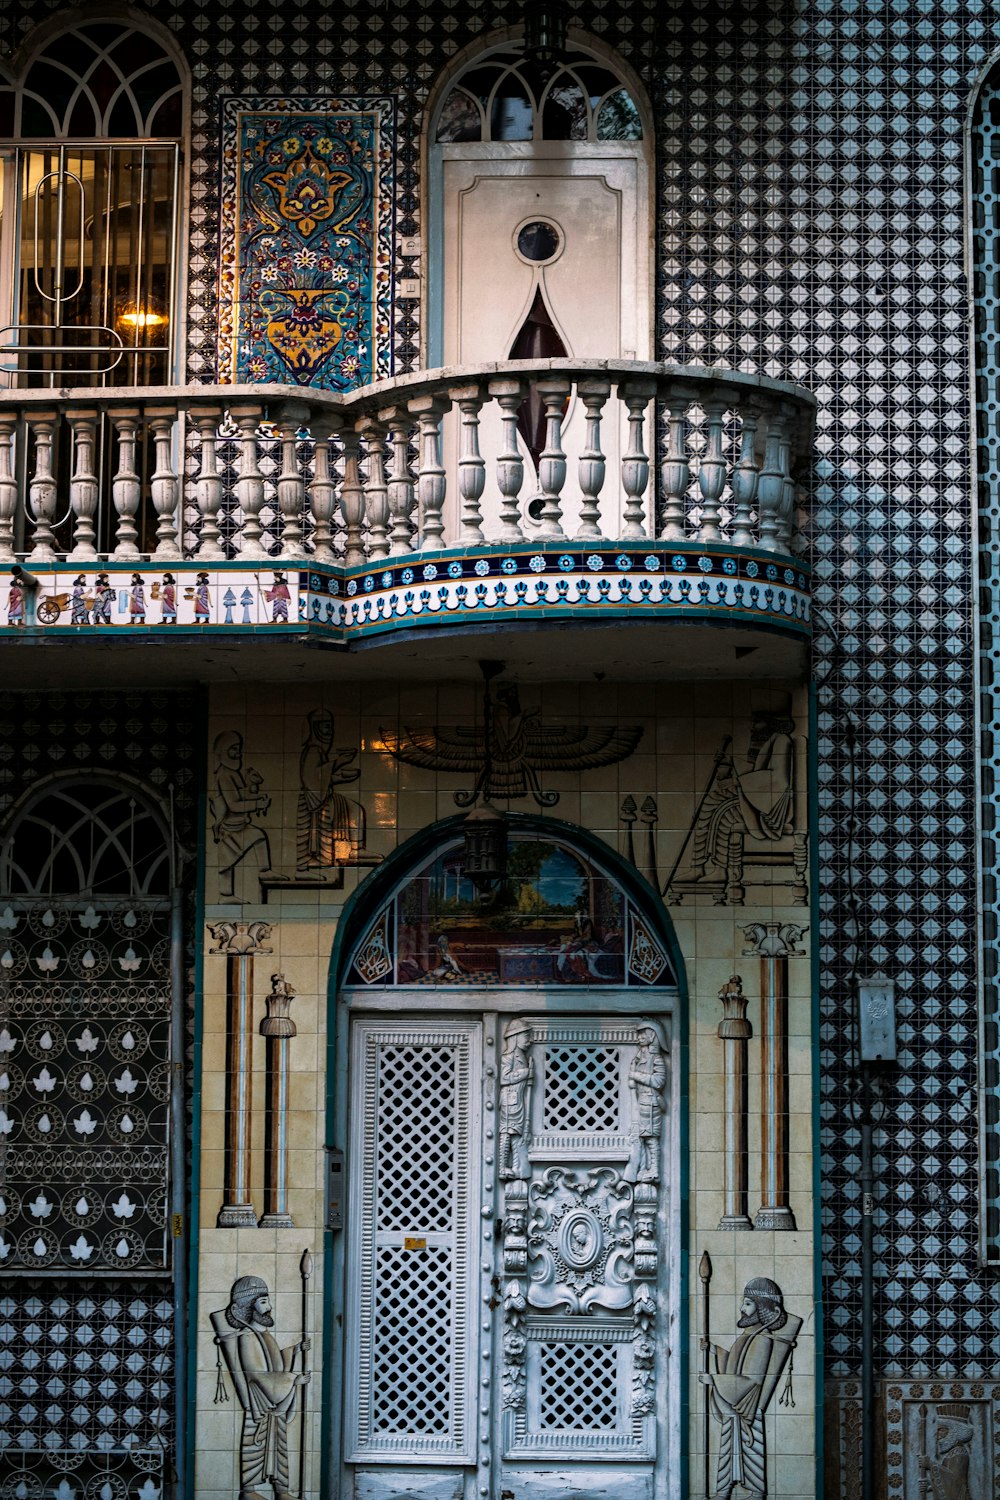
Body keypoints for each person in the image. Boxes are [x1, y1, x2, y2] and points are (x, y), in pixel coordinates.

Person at [699, 1277, 801, 1499]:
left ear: (761, 1307)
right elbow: (735, 1363)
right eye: (743, 1303)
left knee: (750, 1449)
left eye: (747, 1303)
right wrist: (715, 1351)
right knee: (728, 1448)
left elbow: (751, 1380)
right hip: (735, 1406)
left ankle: (756, 1491)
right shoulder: (749, 1335)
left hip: (748, 1407)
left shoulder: (762, 1340)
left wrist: (715, 1380)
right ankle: (724, 1490)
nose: (741, 1309)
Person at [211, 1274, 308, 1500]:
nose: (269, 1307)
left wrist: (294, 1350)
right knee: (254, 1447)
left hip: (273, 1405)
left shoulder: (264, 1335)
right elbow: (256, 1374)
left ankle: (282, 1491)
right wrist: (293, 1380)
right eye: (263, 1302)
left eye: (268, 1301)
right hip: (260, 1404)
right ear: (248, 1307)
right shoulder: (246, 1338)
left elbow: (276, 1363)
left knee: (280, 1450)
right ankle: (249, 1492)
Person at [210, 730, 276, 897]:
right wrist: (256, 804)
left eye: (239, 748)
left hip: (239, 825)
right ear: (224, 751)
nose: (238, 753)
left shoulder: (233, 774)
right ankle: (225, 896)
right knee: (225, 865)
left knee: (259, 836)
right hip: (230, 828)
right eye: (233, 749)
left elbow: (241, 794)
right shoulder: (224, 775)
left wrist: (257, 795)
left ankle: (265, 871)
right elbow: (233, 804)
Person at [296, 708, 361, 868]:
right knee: (349, 810)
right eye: (326, 727)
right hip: (312, 803)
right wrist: (339, 762)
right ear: (316, 728)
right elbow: (311, 780)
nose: (330, 731)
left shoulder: (319, 751)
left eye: (331, 727)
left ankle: (352, 849)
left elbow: (320, 778)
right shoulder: (312, 750)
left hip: (321, 799)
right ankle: (317, 859)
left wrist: (338, 777)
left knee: (350, 809)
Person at [625, 1023, 667, 1182]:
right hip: (639, 1101)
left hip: (650, 1102)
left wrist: (636, 1075)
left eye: (644, 1034)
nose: (640, 1037)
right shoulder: (639, 1056)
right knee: (640, 1137)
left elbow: (659, 1081)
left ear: (652, 1036)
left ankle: (654, 1170)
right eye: (639, 1034)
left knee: (650, 1138)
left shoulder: (656, 1058)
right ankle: (642, 1169)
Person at [499, 1020, 533, 1180]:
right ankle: (501, 1166)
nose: (530, 1040)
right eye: (526, 1036)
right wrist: (525, 1073)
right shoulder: (508, 1057)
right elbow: (504, 1078)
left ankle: (516, 1166)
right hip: (510, 1099)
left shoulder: (521, 1056)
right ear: (516, 1037)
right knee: (508, 1130)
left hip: (518, 1098)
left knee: (516, 1131)